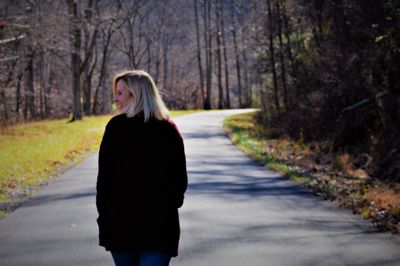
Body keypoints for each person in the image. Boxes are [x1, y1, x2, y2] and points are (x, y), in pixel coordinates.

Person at [96, 70, 188, 266]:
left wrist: (105, 215)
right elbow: (179, 181)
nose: (115, 98)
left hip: (137, 223)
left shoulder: (118, 127)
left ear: (136, 94)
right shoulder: (166, 129)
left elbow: (104, 180)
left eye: (120, 93)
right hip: (143, 223)